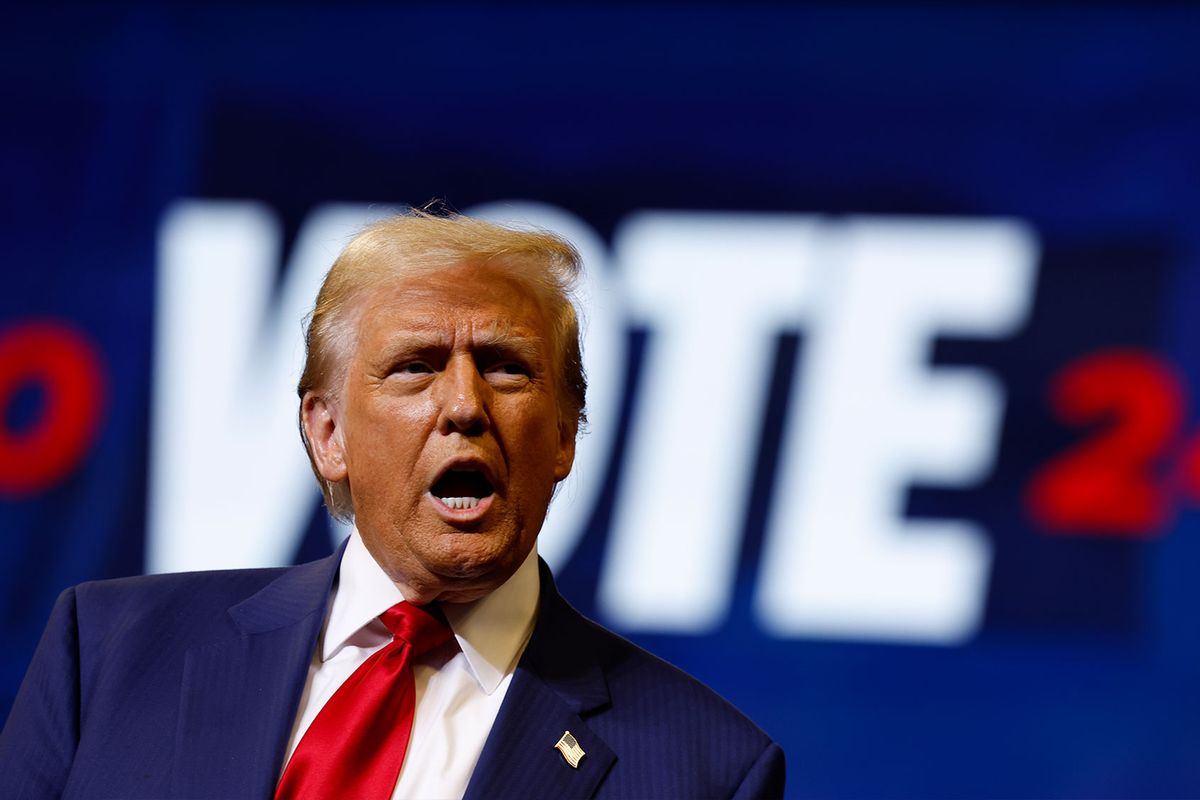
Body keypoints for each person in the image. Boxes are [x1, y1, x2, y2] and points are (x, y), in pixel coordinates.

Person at [0, 211, 785, 799]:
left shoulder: (708, 770)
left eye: (507, 368)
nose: (466, 406)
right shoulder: (107, 652)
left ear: (563, 437)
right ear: (328, 433)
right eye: (415, 366)